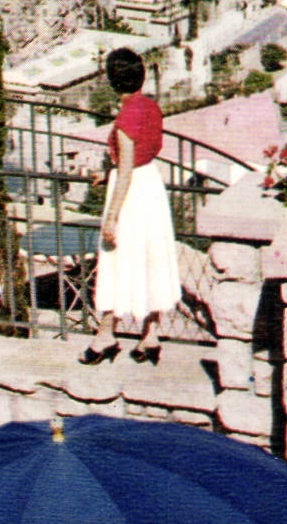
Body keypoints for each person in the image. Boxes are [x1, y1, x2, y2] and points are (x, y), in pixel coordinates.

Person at [80, 48, 181, 365]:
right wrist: (110, 173)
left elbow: (125, 170)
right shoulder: (150, 107)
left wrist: (111, 217)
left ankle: (105, 335)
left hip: (130, 192)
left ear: (113, 82)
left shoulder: (125, 119)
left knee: (117, 259)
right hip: (150, 184)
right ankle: (150, 334)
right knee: (149, 258)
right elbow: (139, 156)